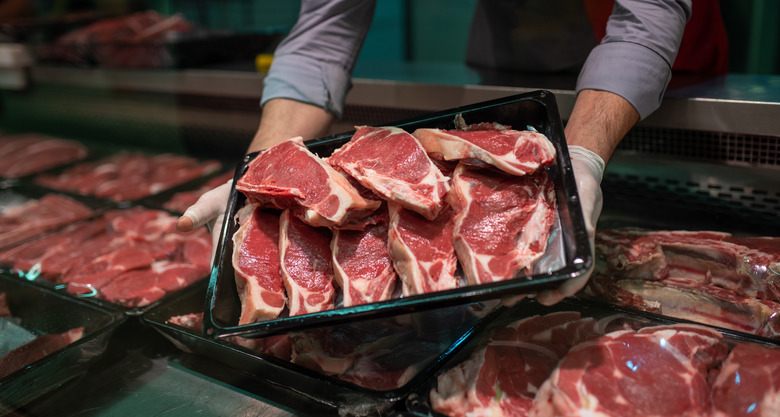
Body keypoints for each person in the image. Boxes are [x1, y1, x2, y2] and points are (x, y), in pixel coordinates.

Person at [176, 0, 699, 305]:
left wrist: (583, 157)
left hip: (653, 78)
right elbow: (321, 39)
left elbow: (646, 19)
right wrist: (263, 172)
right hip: (512, 48)